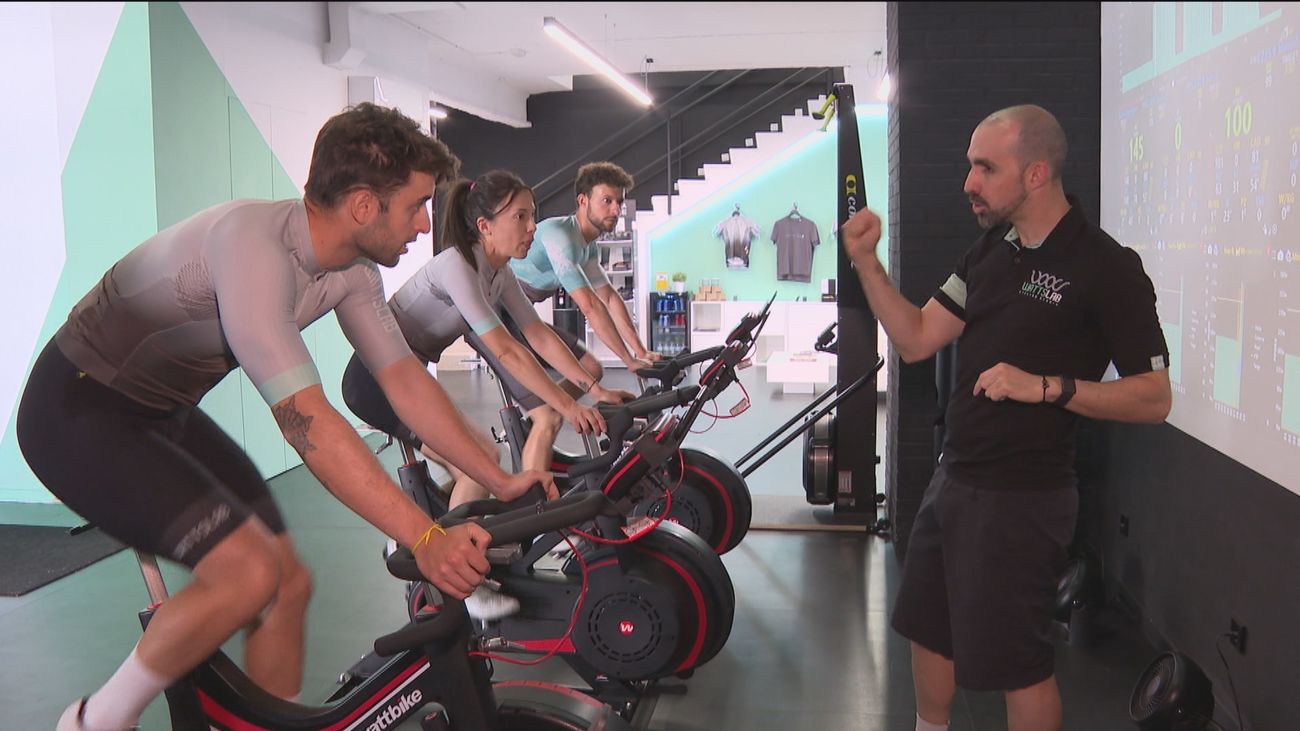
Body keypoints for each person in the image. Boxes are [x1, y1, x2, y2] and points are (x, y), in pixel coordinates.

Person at [16, 102, 554, 731]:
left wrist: (498, 478)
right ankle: (92, 723)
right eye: (416, 204)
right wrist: (425, 537)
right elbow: (307, 421)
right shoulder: (255, 250)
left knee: (287, 585)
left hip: (161, 411)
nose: (426, 223)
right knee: (247, 573)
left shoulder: (353, 272)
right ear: (362, 205)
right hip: (77, 408)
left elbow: (405, 379)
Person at [839, 104, 1172, 731]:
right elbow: (914, 338)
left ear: (1037, 172)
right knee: (927, 629)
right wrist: (866, 261)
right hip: (955, 477)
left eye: (985, 168)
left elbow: (1154, 397)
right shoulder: (991, 250)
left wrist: (1046, 387)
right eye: (971, 166)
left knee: (1019, 662)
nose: (969, 182)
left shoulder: (1105, 266)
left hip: (1026, 497)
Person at [341, 169, 633, 619]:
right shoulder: (457, 265)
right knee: (477, 460)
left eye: (533, 216)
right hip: (374, 380)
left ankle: (413, 527)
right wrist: (569, 405)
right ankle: (464, 585)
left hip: (408, 376)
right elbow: (504, 349)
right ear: (485, 226)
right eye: (521, 216)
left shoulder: (497, 274)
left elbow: (535, 334)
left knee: (479, 458)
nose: (532, 227)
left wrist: (593, 388)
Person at [506, 162, 660, 470]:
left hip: (520, 315)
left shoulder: (587, 247)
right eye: (607, 200)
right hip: (499, 317)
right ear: (583, 201)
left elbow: (608, 298)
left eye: (620, 201)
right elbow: (590, 305)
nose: (616, 209)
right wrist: (629, 362)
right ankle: (534, 502)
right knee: (549, 417)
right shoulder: (558, 235)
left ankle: (538, 413)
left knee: (591, 366)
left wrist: (640, 352)